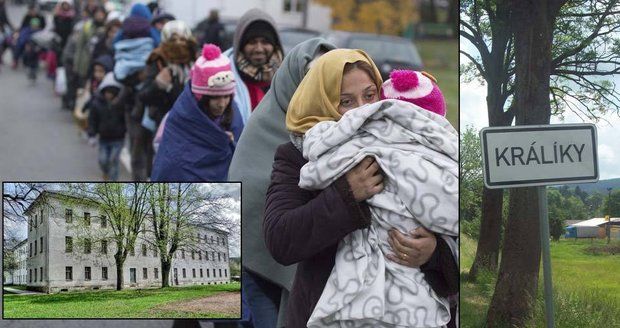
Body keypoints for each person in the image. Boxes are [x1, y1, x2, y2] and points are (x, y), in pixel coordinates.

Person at [263, 49, 458, 327]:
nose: (362, 109)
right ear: (323, 103)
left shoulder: (408, 143)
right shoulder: (299, 155)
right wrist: (345, 194)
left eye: (369, 96)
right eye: (345, 101)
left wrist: (435, 253)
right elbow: (281, 239)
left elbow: (453, 217)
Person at [226, 38, 335, 328]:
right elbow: (247, 193)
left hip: (309, 268)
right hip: (256, 267)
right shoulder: (265, 125)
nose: (319, 86)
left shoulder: (336, 133)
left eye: (328, 76)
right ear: (293, 77)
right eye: (312, 75)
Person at [151, 44, 243, 181]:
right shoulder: (180, 118)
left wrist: (229, 144)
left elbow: (242, 158)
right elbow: (170, 164)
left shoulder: (233, 114)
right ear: (201, 98)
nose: (222, 104)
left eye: (226, 96)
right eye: (215, 98)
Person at [223, 8, 284, 124]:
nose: (259, 49)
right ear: (241, 46)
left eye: (265, 42)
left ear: (275, 45)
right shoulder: (223, 76)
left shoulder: (286, 78)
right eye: (252, 42)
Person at [139, 20, 197, 128]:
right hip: (164, 123)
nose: (178, 43)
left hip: (191, 122)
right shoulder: (158, 61)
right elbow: (143, 95)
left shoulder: (196, 62)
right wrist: (158, 84)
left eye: (182, 39)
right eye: (173, 40)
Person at [86, 72, 127, 181]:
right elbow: (92, 120)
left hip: (118, 138)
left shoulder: (121, 104)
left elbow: (126, 119)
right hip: (103, 138)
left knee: (114, 160)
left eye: (111, 92)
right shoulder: (97, 104)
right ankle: (106, 172)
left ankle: (113, 181)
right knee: (103, 160)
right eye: (107, 92)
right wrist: (91, 135)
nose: (108, 95)